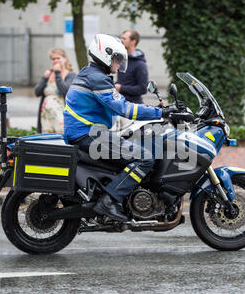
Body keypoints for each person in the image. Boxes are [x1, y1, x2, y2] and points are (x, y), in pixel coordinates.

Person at [64, 34, 174, 222]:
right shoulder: (97, 79)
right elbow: (125, 108)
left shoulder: (91, 74)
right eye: (117, 59)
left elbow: (116, 107)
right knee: (145, 158)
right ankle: (109, 200)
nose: (118, 64)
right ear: (105, 55)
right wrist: (160, 113)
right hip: (88, 135)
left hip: (87, 132)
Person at [34, 48, 76, 133]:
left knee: (61, 135)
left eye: (58, 58)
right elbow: (37, 92)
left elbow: (65, 90)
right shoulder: (49, 74)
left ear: (65, 59)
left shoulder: (70, 75)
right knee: (47, 137)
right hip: (46, 114)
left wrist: (57, 73)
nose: (56, 61)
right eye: (53, 59)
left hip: (61, 114)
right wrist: (44, 78)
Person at [115, 30, 148, 104]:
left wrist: (121, 88)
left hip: (134, 107)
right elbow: (123, 81)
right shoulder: (122, 60)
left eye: (124, 39)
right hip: (121, 104)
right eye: (121, 38)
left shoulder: (140, 65)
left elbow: (143, 89)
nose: (121, 41)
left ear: (133, 42)